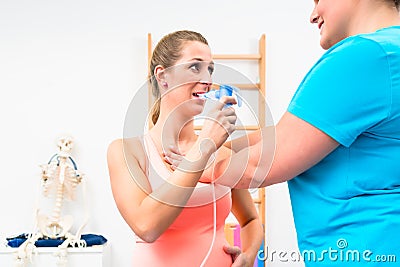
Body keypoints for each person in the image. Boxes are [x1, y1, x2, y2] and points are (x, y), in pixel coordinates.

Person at [167, 1, 400, 266]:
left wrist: (194, 161)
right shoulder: (390, 52)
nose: (313, 16)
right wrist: (214, 147)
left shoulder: (363, 57)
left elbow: (257, 165)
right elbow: (290, 136)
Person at [107, 30, 263, 267]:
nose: (207, 78)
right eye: (195, 67)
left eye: (210, 69)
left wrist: (249, 255)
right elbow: (147, 227)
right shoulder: (128, 152)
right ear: (163, 76)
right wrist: (203, 148)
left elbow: (251, 220)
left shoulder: (221, 153)